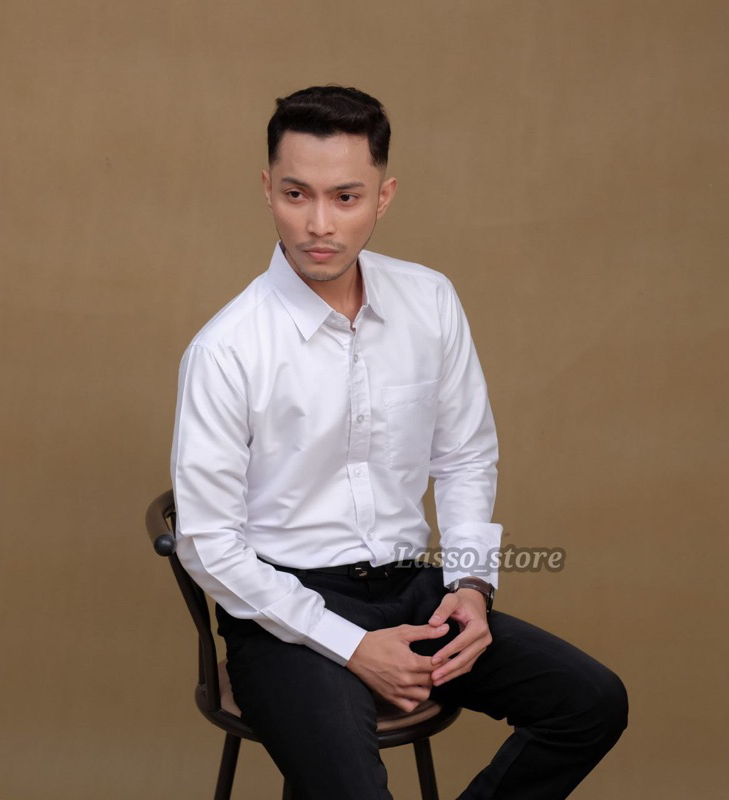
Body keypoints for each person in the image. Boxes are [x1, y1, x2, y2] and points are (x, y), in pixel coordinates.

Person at [170, 85, 627, 799]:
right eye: (296, 194)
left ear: (382, 198)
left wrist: (471, 586)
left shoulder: (430, 301)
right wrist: (352, 646)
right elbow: (209, 545)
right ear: (267, 190)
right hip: (282, 612)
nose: (319, 224)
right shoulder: (226, 349)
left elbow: (465, 455)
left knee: (591, 703)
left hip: (414, 591)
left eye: (346, 197)